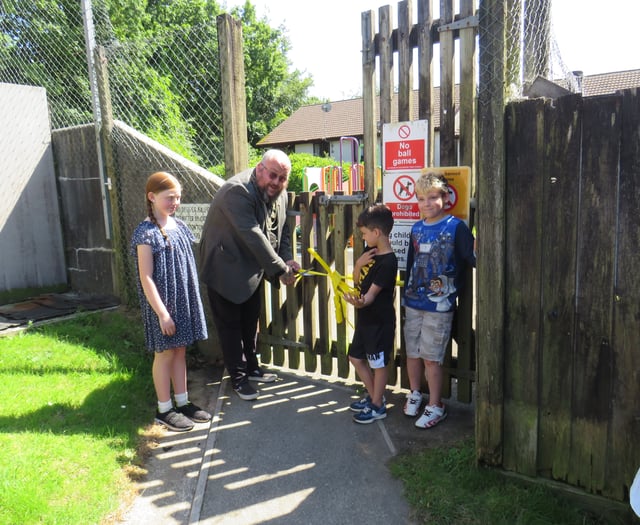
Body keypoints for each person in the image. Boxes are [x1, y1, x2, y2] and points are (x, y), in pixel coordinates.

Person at [199, 149, 300, 401]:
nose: (276, 182)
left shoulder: (281, 194)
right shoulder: (238, 191)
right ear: (259, 169)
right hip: (224, 268)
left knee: (249, 322)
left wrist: (286, 258)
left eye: (282, 178)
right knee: (230, 327)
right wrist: (279, 269)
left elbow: (283, 230)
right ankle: (238, 378)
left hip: (250, 268)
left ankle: (251, 368)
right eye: (273, 175)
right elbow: (253, 234)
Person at [130, 171, 211, 432]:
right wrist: (163, 314)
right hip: (162, 306)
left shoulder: (179, 226)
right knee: (164, 353)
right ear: (152, 197)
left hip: (183, 301)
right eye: (169, 197)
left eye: (178, 197)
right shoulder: (146, 233)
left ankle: (183, 402)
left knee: (180, 351)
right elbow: (146, 278)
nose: (174, 202)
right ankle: (164, 409)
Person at [402, 172, 475, 429]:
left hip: (439, 305)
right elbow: (411, 265)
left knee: (432, 357)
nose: (427, 203)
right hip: (413, 302)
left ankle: (436, 405)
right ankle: (414, 393)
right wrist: (405, 294)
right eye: (421, 199)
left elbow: (473, 258)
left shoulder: (457, 227)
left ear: (445, 197)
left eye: (432, 197)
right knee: (412, 352)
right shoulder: (416, 228)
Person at [343, 204, 398, 424]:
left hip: (379, 323)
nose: (363, 238)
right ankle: (376, 396)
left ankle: (377, 406)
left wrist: (359, 302)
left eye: (365, 234)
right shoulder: (369, 253)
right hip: (365, 320)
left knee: (378, 364)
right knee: (355, 357)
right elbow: (358, 281)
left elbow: (371, 296)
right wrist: (358, 264)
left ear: (376, 233)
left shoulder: (388, 262)